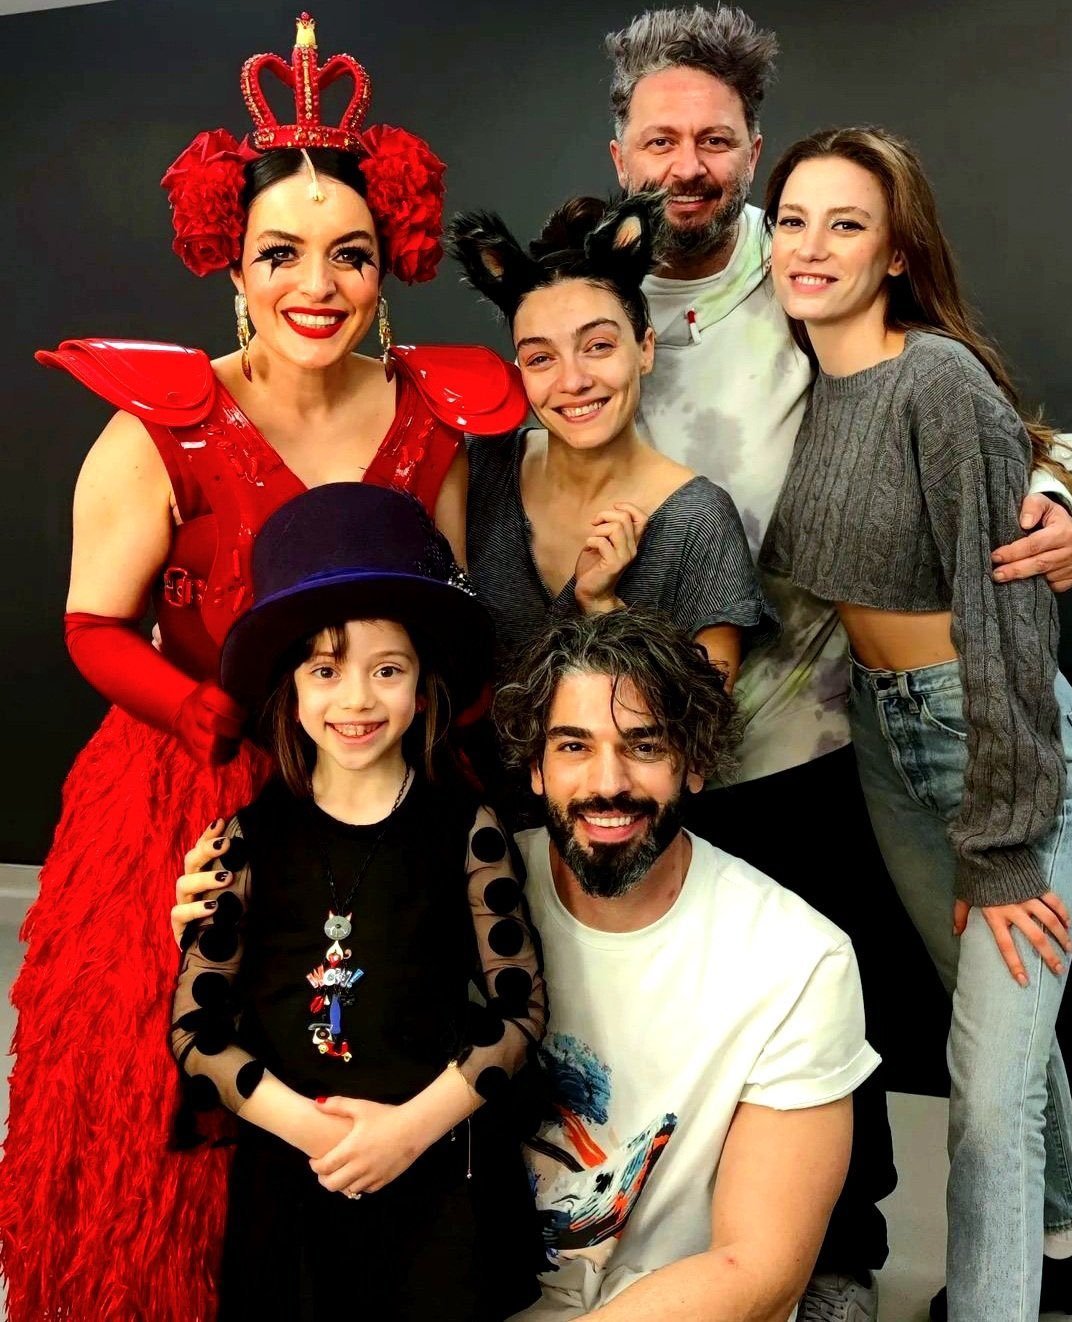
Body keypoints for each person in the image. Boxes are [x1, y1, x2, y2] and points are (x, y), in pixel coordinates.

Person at [0, 15, 525, 1322]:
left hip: (371, 784)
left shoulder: (431, 418)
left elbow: (443, 610)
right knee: (162, 1092)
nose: (317, 283)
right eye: (280, 252)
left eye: (349, 253)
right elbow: (93, 624)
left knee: (374, 1061)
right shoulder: (156, 425)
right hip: (191, 783)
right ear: (232, 263)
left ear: (386, 265)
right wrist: (214, 717)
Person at [602, 8, 1072, 1317]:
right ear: (619, 151)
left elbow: (1001, 435)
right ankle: (1059, 1235)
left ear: (749, 153)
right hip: (737, 734)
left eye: (714, 141)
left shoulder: (803, 268)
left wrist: (1065, 495)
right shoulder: (598, 293)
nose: (687, 165)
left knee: (896, 1033)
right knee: (787, 1016)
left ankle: (880, 1268)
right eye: (660, 140)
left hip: (839, 734)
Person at [759, 125, 1072, 1322]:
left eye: (845, 224)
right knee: (1001, 1030)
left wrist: (1003, 838)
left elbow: (1008, 618)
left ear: (895, 252)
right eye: (793, 220)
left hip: (997, 734)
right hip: (888, 749)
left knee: (985, 1089)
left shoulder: (934, 378)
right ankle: (1065, 1232)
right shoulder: (804, 384)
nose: (811, 246)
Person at [168, 482, 546, 1320]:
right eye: (326, 670)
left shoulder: (468, 827)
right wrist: (318, 1133)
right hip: (294, 1177)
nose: (357, 700)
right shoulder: (242, 840)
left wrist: (406, 1132)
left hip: (435, 1171)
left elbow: (520, 1015)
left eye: (387, 670)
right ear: (292, 689)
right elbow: (196, 1032)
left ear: (423, 688)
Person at [491, 608, 880, 1321]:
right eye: (574, 745)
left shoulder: (797, 957)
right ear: (537, 769)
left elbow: (759, 1268)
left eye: (644, 745)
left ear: (694, 763)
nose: (608, 783)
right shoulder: (473, 898)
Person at [449, 193, 773, 684]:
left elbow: (710, 713)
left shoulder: (696, 521)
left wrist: (603, 607)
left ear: (645, 349)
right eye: (541, 358)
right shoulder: (478, 469)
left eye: (598, 346)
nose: (573, 381)